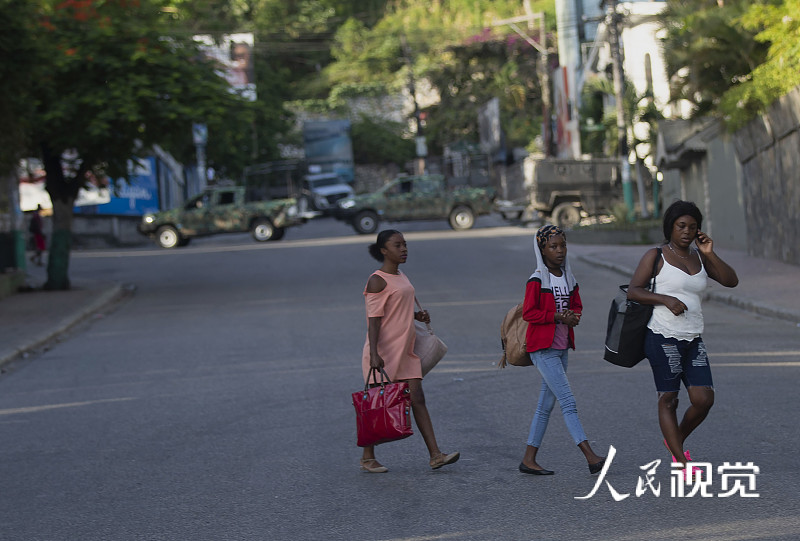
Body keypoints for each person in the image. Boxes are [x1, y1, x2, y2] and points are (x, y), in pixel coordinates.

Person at [627, 201, 738, 477]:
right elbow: (633, 290)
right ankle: (682, 462)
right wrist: (665, 299)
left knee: (704, 399)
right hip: (662, 336)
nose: (687, 231)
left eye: (692, 226)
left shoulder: (699, 257)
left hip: (693, 338)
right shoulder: (656, 256)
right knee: (669, 400)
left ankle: (674, 439)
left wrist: (710, 253)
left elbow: (731, 280)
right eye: (681, 226)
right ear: (670, 227)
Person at [359, 229, 459, 473]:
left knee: (418, 399)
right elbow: (373, 321)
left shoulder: (401, 274)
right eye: (397, 245)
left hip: (407, 349)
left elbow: (397, 306)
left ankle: (436, 455)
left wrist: (416, 315)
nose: (403, 249)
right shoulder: (377, 280)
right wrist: (374, 354)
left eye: (405, 245)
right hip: (384, 352)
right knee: (377, 406)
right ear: (384, 250)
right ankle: (367, 456)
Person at [519, 225, 606, 476]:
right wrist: (558, 316)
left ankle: (529, 459)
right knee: (568, 401)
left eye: (562, 245)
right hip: (543, 349)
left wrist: (574, 316)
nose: (559, 251)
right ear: (541, 250)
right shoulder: (537, 279)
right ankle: (590, 456)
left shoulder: (569, 277)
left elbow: (576, 304)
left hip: (561, 347)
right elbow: (529, 313)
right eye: (553, 246)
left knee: (545, 406)